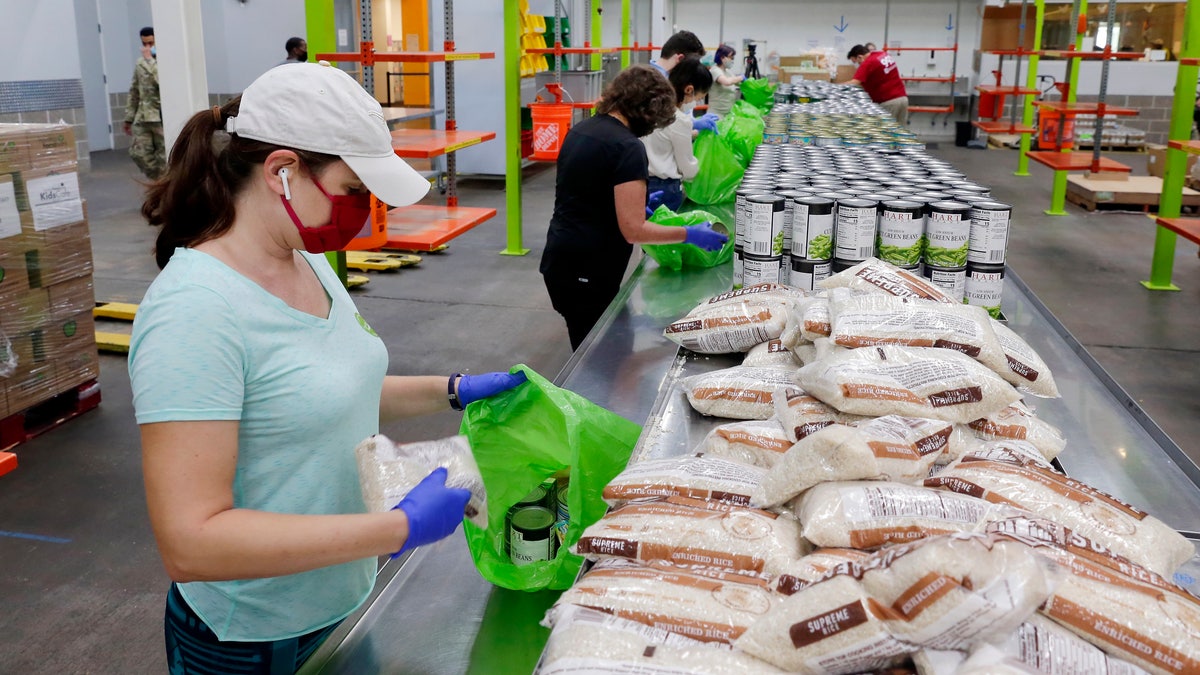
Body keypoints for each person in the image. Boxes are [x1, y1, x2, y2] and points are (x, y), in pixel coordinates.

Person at [128, 63, 526, 674]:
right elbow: (191, 542)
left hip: (341, 597)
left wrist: (455, 391)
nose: (360, 211)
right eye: (350, 190)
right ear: (282, 171)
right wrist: (395, 530)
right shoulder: (195, 313)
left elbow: (328, 388)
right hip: (257, 639)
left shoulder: (302, 259)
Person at [540, 65, 728, 349]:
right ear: (647, 110)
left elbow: (585, 191)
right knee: (600, 360)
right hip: (587, 270)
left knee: (592, 342)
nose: (653, 128)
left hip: (561, 260)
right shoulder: (627, 147)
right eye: (656, 120)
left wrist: (638, 203)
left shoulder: (583, 129)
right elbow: (633, 230)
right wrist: (688, 234)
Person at [643, 58, 713, 211]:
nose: (696, 102)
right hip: (665, 188)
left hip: (641, 183)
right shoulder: (679, 119)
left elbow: (662, 140)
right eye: (698, 97)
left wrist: (691, 133)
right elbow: (687, 167)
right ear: (689, 90)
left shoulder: (649, 106)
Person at [650, 31, 719, 134]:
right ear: (680, 59)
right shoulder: (651, 84)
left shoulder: (676, 82)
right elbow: (658, 129)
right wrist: (690, 124)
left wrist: (691, 122)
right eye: (693, 64)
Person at [124, 26, 166, 180]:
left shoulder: (164, 61)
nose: (147, 47)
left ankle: (164, 188)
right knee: (139, 153)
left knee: (165, 157)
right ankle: (158, 181)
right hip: (143, 116)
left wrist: (150, 60)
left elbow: (162, 83)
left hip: (160, 117)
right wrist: (129, 118)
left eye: (151, 43)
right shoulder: (140, 63)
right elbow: (134, 90)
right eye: (144, 44)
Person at [842, 44, 909, 125]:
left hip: (889, 103)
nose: (858, 65)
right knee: (900, 133)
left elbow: (854, 83)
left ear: (860, 57)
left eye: (856, 62)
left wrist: (833, 87)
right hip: (902, 98)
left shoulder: (868, 63)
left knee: (885, 133)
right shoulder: (883, 55)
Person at [707, 44, 744, 119]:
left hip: (728, 114)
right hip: (716, 114)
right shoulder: (715, 70)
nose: (732, 60)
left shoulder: (728, 72)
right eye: (731, 58)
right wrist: (741, 77)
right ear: (722, 57)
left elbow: (738, 83)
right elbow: (726, 82)